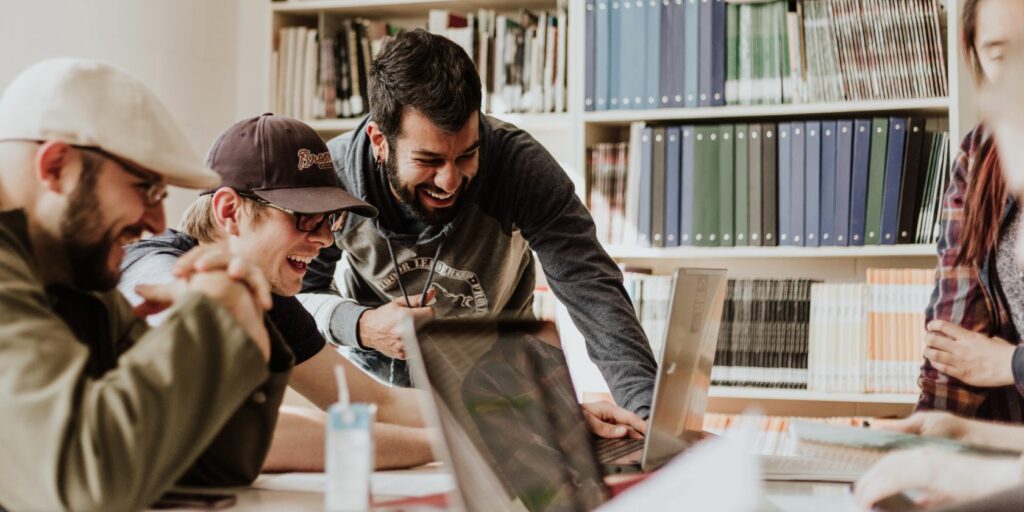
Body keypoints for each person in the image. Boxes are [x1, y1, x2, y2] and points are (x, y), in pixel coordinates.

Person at [298, 28, 658, 418]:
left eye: (467, 155)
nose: (449, 181)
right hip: (380, 398)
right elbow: (298, 297)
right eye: (429, 161)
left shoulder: (521, 168)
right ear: (379, 141)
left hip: (502, 391)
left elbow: (592, 289)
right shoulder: (333, 180)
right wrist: (362, 325)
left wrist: (646, 414)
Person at [0, 59, 288, 511]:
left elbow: (211, 466)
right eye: (147, 189)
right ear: (56, 166)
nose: (157, 223)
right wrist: (212, 317)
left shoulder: (74, 278)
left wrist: (240, 315)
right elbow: (85, 484)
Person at [119, 113, 436, 470]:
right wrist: (444, 446)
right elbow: (237, 431)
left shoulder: (268, 298)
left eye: (329, 220)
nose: (326, 239)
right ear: (229, 211)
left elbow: (374, 403)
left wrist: (489, 418)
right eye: (304, 217)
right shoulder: (152, 270)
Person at [917, 0, 1024, 422]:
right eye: (1001, 55)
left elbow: (990, 362)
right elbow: (955, 339)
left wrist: (1009, 364)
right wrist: (926, 436)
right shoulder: (982, 154)